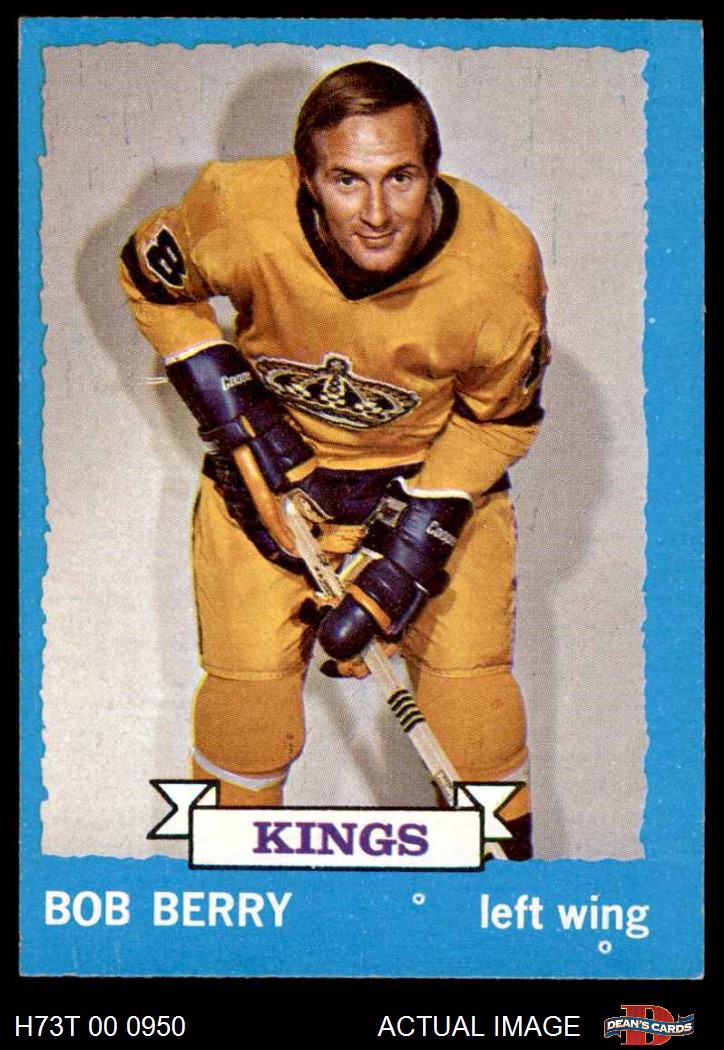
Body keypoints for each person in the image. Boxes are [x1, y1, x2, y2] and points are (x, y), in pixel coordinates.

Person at [119, 60, 549, 859]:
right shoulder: (238, 210)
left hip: (432, 484)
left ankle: (500, 908)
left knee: (477, 723)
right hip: (267, 498)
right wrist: (229, 402)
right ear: (306, 176)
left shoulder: (497, 269)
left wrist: (411, 547)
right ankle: (237, 904)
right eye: (347, 180)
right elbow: (149, 276)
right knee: (245, 721)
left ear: (433, 169)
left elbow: (499, 421)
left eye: (401, 177)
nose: (377, 214)